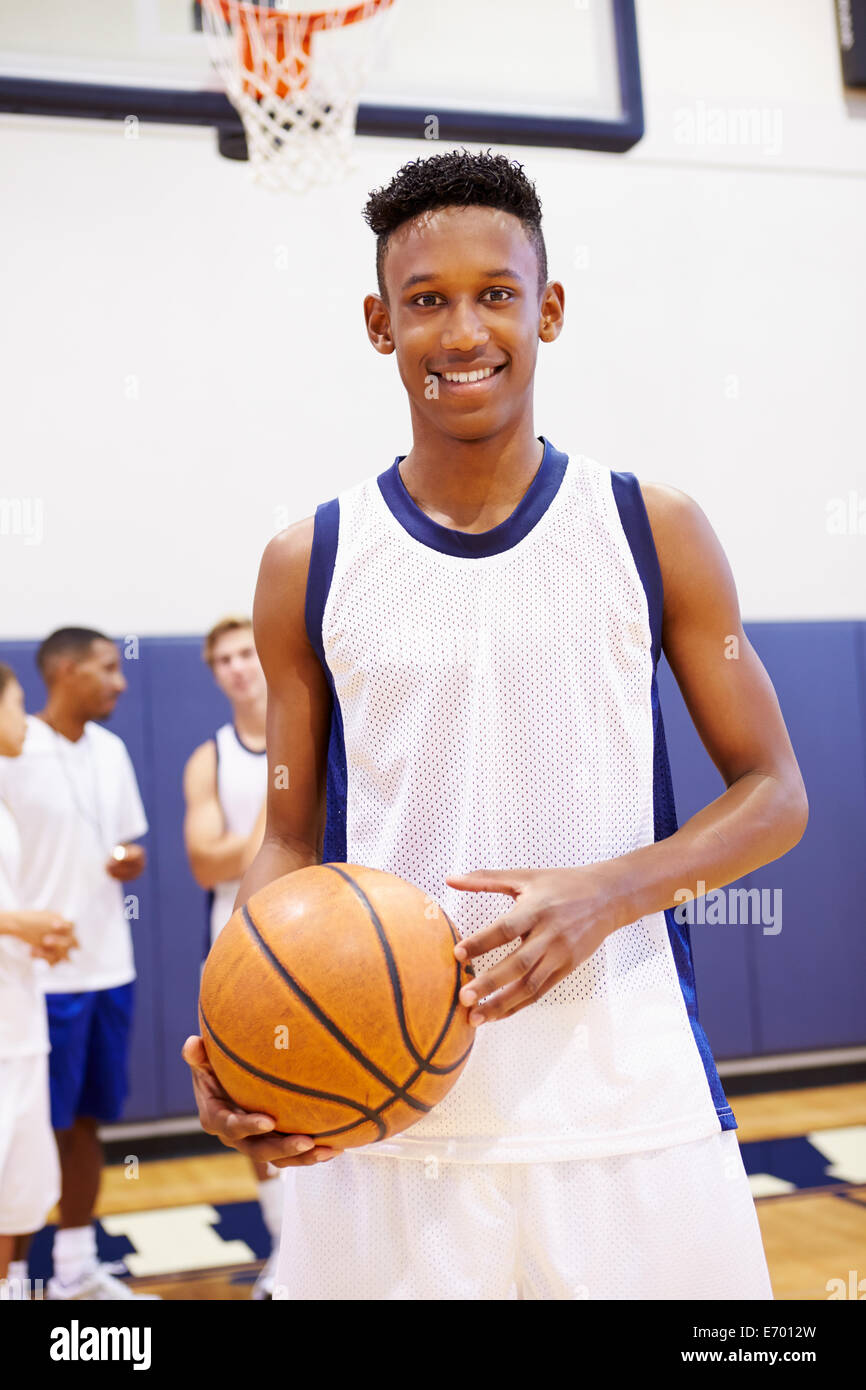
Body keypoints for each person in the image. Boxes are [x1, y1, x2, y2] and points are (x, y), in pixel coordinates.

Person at [184, 149, 809, 1300]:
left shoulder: (648, 528)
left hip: (625, 1102)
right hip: (379, 1120)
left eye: (494, 292)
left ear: (547, 309)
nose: (461, 329)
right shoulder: (305, 562)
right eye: (425, 300)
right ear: (379, 324)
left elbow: (773, 793)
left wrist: (614, 887)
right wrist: (240, 1030)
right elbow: (284, 835)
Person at [0, 628, 155, 1301]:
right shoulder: (12, 751)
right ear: (62, 672)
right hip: (34, 980)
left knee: (88, 1120)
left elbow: (130, 845)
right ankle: (15, 1275)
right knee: (28, 1131)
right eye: (105, 669)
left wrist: (128, 860)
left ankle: (73, 1268)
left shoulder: (113, 751)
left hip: (104, 966)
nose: (120, 681)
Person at [182, 616, 278, 1299]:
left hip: (323, 951)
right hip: (238, 951)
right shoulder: (210, 757)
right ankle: (283, 1248)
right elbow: (202, 860)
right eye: (223, 659)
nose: (238, 666)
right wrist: (273, 830)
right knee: (255, 1107)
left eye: (246, 651)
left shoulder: (319, 730)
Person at [0, 662, 77, 1298]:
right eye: (15, 703)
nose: (25, 720)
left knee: (20, 1191)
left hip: (18, 1013)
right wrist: (23, 924)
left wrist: (33, 938)